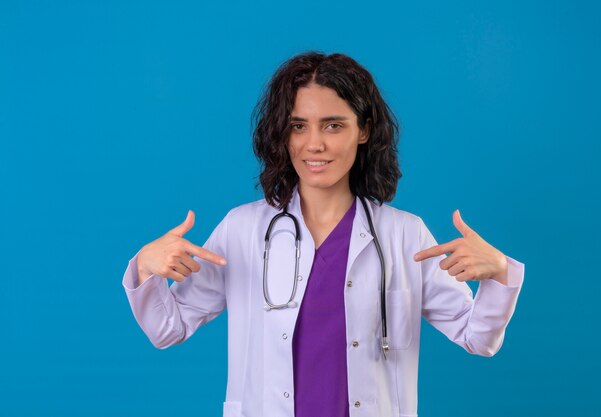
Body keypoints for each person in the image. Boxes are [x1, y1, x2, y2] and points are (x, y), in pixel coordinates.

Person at [122, 51, 525, 417]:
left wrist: (498, 273)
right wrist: (145, 268)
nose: (314, 144)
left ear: (363, 130)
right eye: (299, 126)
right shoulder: (243, 231)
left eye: (333, 125)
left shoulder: (404, 236)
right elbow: (167, 329)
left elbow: (479, 337)